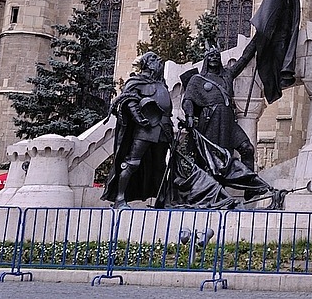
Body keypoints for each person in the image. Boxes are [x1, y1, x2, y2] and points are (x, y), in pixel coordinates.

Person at [103, 51, 173, 208]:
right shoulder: (136, 81)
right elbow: (128, 100)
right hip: (145, 129)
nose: (159, 61)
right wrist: (139, 118)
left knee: (161, 165)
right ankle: (120, 198)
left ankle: (162, 199)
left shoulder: (161, 84)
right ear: (147, 63)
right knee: (132, 162)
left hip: (163, 128)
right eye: (154, 58)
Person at [180, 46, 255, 173]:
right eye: (211, 55)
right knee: (212, 160)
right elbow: (188, 100)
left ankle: (251, 190)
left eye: (216, 55)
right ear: (206, 59)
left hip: (228, 121)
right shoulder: (197, 79)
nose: (214, 58)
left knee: (247, 148)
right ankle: (212, 190)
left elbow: (244, 58)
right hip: (210, 120)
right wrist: (189, 117)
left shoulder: (228, 75)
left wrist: (259, 37)